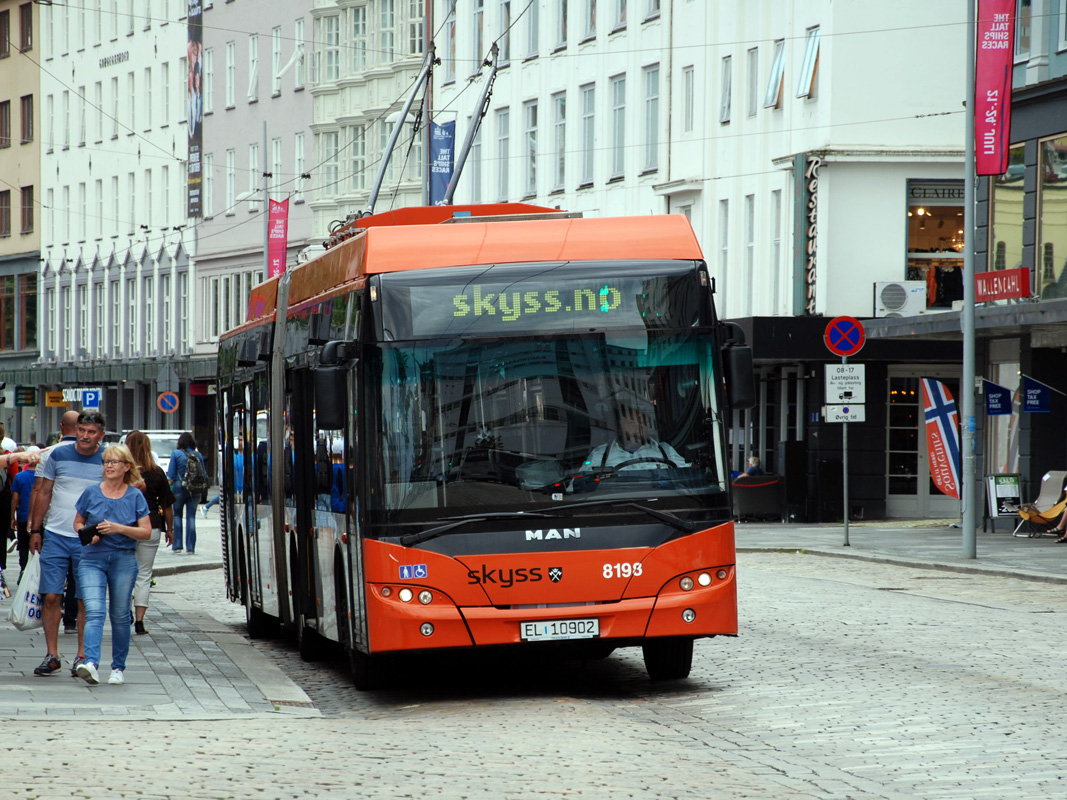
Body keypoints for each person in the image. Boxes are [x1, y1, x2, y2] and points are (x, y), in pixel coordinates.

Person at [27, 410, 107, 678]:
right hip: (56, 535)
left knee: (84, 599)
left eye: (91, 432)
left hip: (89, 539)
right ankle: (52, 654)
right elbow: (44, 492)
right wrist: (36, 529)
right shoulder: (57, 455)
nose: (85, 436)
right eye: (82, 430)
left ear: (101, 435)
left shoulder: (108, 459)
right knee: (50, 595)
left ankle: (82, 656)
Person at [73, 444, 152, 685]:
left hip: (123, 559)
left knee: (119, 615)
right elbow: (77, 522)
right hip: (92, 559)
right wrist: (88, 534)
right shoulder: (91, 492)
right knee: (94, 610)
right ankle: (91, 663)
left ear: (127, 466)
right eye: (106, 461)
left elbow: (146, 532)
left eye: (114, 461)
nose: (108, 465)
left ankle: (118, 667)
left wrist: (118, 528)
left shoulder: (135, 495)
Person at [31, 410, 82, 636]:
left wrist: (33, 525)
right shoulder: (53, 455)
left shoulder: (48, 453)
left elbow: (38, 489)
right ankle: (69, 621)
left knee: (61, 589)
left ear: (62, 427)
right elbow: (44, 490)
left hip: (62, 528)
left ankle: (74, 644)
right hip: (62, 531)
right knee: (73, 584)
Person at [125, 431, 175, 634]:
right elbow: (167, 504)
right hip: (151, 525)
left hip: (126, 527)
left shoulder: (123, 472)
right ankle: (139, 621)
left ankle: (124, 611)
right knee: (144, 574)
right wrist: (170, 529)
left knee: (124, 572)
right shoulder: (156, 472)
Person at [581, 414, 688, 473]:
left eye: (642, 423)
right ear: (619, 427)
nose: (638, 428)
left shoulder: (665, 450)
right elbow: (577, 486)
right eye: (631, 423)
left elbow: (688, 474)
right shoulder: (599, 454)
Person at [166, 432, 206, 554]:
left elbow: (171, 475)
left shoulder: (176, 454)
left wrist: (168, 490)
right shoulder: (198, 455)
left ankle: (177, 545)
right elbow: (204, 475)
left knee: (177, 515)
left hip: (179, 488)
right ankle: (190, 547)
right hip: (195, 490)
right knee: (191, 517)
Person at [9, 450, 40, 573]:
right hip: (40, 517)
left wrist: (12, 517)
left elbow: (15, 499)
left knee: (23, 546)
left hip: (23, 515)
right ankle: (37, 571)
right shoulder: (43, 477)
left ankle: (23, 569)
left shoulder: (19, 477)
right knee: (39, 545)